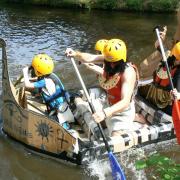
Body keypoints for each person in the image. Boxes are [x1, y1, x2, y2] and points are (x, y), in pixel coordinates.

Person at [65, 39, 139, 136]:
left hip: (122, 112)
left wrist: (105, 113)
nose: (112, 65)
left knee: (116, 138)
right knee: (98, 122)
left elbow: (125, 101)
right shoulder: (109, 58)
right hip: (109, 105)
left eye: (115, 63)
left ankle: (135, 119)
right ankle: (135, 117)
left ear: (122, 59)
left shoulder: (128, 72)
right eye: (109, 62)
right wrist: (75, 54)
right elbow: (90, 57)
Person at [23, 53, 74, 130]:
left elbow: (27, 85)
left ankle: (65, 126)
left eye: (33, 68)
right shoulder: (51, 75)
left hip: (59, 112)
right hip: (64, 106)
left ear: (38, 71)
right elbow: (38, 79)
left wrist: (25, 73)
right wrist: (29, 79)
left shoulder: (45, 82)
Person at [139, 37, 180, 115]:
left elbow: (158, 45)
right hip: (158, 99)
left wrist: (178, 95)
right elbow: (158, 45)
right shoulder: (168, 57)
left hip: (157, 98)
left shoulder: (168, 56)